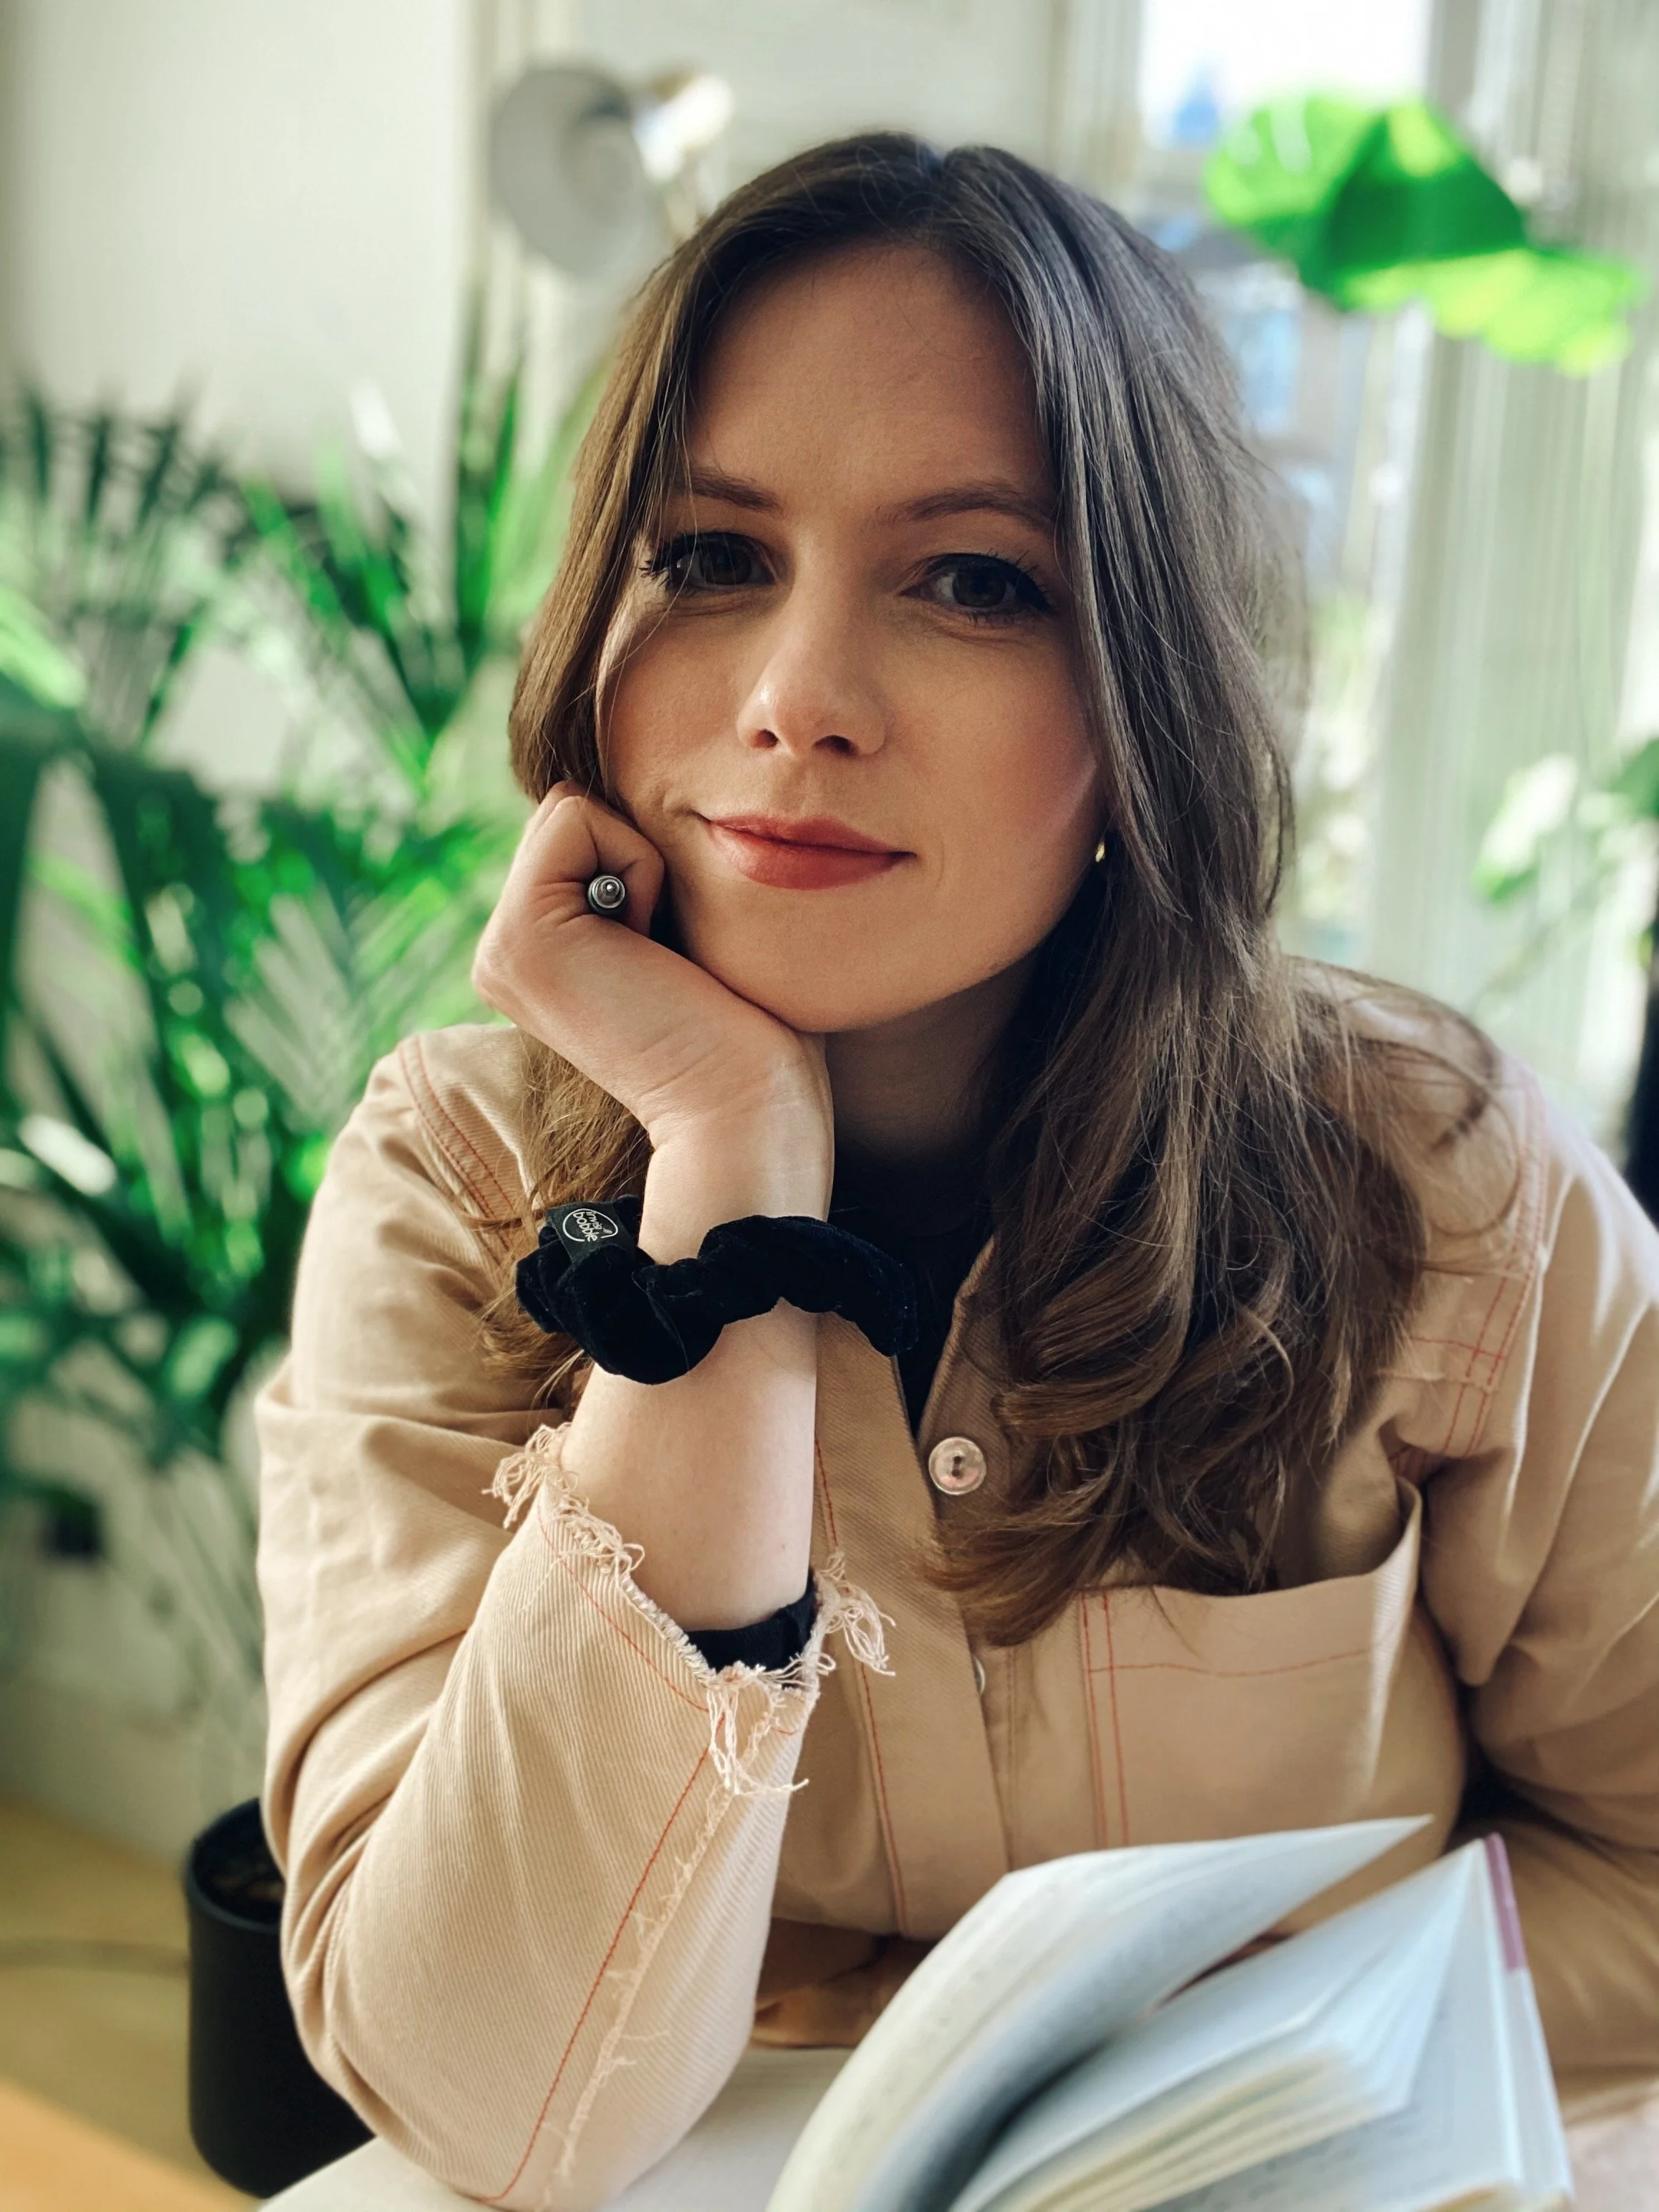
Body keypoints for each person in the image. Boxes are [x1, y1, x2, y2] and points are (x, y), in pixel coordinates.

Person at [256, 135, 1659, 2211]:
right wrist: (722, 1193)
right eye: (711, 559)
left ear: (1140, 699)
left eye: (977, 581)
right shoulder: (451, 1191)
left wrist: (1226, 2084)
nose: (795, 702)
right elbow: (491, 2104)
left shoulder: (1438, 1182)